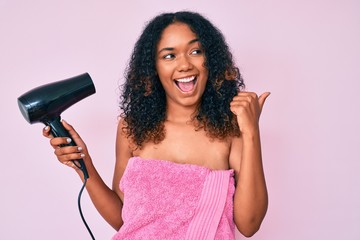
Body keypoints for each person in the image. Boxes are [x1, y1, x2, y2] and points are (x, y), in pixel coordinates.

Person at [43, 11, 270, 239]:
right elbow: (124, 219)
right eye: (169, 56)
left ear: (210, 60)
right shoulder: (132, 128)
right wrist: (84, 165)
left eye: (195, 51)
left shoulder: (230, 129)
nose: (184, 65)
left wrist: (251, 131)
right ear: (153, 68)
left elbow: (249, 224)